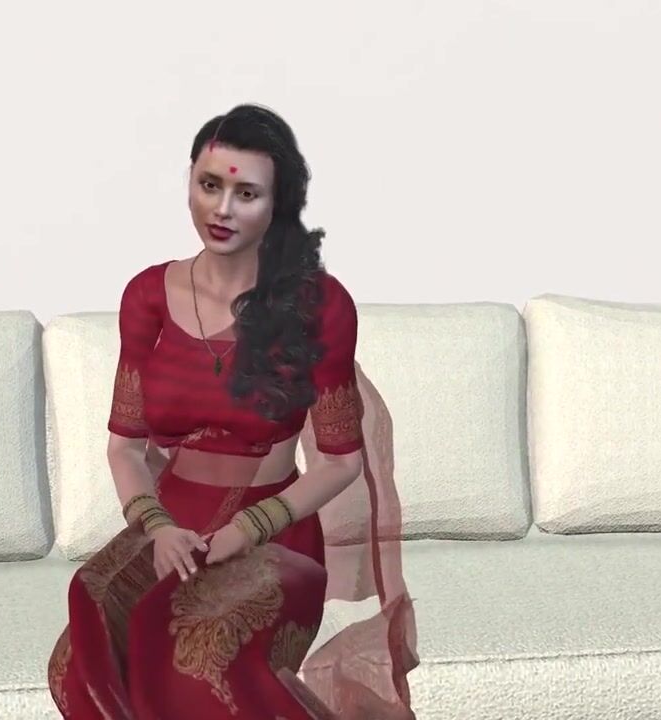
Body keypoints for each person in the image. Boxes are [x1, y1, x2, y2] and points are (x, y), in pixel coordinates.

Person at [47, 103, 418, 719]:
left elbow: (341, 463)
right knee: (76, 662)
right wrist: (157, 527)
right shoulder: (147, 296)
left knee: (198, 660)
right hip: (171, 522)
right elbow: (124, 448)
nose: (221, 209)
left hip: (275, 530)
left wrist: (249, 528)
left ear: (278, 203)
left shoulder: (320, 305)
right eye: (209, 185)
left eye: (246, 193)